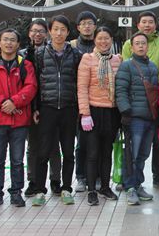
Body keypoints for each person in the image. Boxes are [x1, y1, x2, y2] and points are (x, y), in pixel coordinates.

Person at [0, 29, 37, 208]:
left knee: (17, 160)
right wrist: (3, 102)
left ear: (18, 44)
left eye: (13, 40)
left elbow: (31, 87)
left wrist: (15, 102)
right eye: (5, 40)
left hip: (19, 119)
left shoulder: (25, 65)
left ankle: (16, 192)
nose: (9, 43)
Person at [31, 15, 82, 206]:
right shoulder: (39, 53)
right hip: (47, 107)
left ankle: (66, 188)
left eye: (63, 29)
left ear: (68, 32)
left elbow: (79, 82)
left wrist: (79, 108)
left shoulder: (75, 54)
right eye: (55, 29)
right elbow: (35, 83)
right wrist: (35, 108)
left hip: (69, 108)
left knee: (68, 151)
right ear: (49, 32)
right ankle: (39, 190)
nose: (59, 33)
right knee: (43, 151)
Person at [121, 11, 159, 190]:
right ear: (138, 25)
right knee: (133, 149)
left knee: (152, 146)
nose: (147, 25)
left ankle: (155, 178)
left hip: (155, 102)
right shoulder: (128, 49)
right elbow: (124, 77)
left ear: (155, 25)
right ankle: (129, 184)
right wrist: (126, 109)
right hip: (136, 107)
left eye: (151, 22)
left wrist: (153, 87)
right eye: (144, 22)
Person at [77, 27, 122, 206]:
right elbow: (82, 88)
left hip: (112, 112)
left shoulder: (118, 60)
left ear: (111, 40)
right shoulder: (87, 59)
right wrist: (85, 113)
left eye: (107, 38)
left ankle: (105, 186)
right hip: (93, 112)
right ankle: (91, 190)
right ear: (95, 40)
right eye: (100, 38)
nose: (103, 42)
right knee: (93, 153)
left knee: (107, 152)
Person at [116, 32, 158, 205]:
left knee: (143, 154)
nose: (141, 46)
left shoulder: (153, 66)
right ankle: (130, 187)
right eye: (137, 43)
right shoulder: (126, 66)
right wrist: (126, 111)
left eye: (144, 43)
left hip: (150, 118)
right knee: (132, 155)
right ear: (131, 47)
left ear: (148, 46)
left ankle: (138, 184)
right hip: (134, 118)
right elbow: (121, 90)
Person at [21, 19, 62, 197]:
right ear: (29, 33)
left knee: (54, 145)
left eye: (41, 31)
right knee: (33, 145)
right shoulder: (22, 54)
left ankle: (55, 179)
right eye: (34, 31)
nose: (37, 34)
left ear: (47, 34)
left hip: (50, 104)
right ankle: (33, 180)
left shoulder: (52, 51)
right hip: (30, 105)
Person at [71, 11, 98, 192]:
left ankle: (97, 176)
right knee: (81, 142)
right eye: (83, 23)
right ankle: (81, 177)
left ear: (95, 26)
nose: (87, 26)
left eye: (90, 23)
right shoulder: (72, 46)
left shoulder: (101, 43)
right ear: (78, 27)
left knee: (98, 142)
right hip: (77, 101)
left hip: (98, 100)